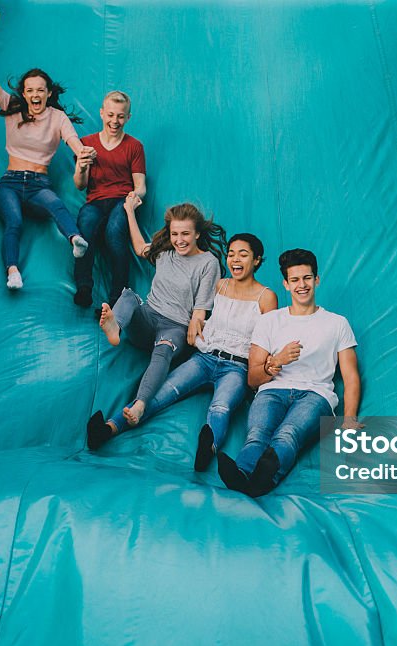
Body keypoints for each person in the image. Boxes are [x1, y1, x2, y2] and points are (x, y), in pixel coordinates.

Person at [86, 234, 278, 471]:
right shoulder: (220, 285)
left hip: (236, 366)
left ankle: (208, 449)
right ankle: (108, 428)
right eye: (231, 254)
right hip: (205, 358)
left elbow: (266, 338)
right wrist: (197, 326)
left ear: (257, 261)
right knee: (161, 393)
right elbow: (201, 314)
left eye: (243, 254)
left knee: (221, 406)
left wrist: (262, 370)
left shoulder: (266, 296)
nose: (235, 259)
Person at [218, 248, 362, 497]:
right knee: (256, 435)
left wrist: (349, 418)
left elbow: (350, 376)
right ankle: (242, 475)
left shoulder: (337, 323)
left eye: (307, 278)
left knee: (287, 434)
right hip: (273, 390)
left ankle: (264, 478)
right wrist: (277, 361)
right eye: (295, 280)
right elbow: (253, 379)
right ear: (286, 284)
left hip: (315, 395)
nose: (302, 285)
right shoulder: (269, 321)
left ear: (316, 279)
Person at [86, 197, 226, 449]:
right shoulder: (165, 253)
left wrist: (194, 333)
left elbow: (200, 310)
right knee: (128, 295)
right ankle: (115, 327)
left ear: (197, 234)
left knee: (164, 348)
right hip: (148, 318)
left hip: (175, 328)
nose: (179, 240)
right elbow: (139, 246)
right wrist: (129, 211)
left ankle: (139, 405)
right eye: (175, 234)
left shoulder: (208, 263)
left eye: (185, 234)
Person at [0, 9, 95, 290]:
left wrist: (83, 154)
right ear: (24, 93)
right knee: (14, 222)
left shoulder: (57, 117)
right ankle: (13, 271)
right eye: (30, 90)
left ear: (49, 93)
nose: (35, 95)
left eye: (40, 90)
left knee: (55, 204)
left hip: (39, 184)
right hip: (10, 183)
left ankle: (75, 240)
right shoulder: (11, 108)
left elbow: (74, 143)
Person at [71, 91, 147, 308]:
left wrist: (134, 196)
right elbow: (79, 184)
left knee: (114, 232)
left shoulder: (134, 146)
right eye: (111, 115)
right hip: (95, 200)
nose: (115, 121)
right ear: (102, 114)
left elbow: (141, 186)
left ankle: (117, 299)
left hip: (121, 200)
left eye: (120, 116)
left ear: (128, 117)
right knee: (85, 226)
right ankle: (84, 287)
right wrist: (82, 165)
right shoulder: (86, 143)